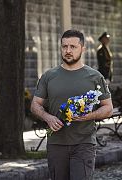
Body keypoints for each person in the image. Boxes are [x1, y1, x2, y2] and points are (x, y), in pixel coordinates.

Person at [30, 30, 113, 180]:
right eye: (64, 46)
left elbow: (108, 108)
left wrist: (89, 116)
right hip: (56, 144)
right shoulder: (49, 76)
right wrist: (47, 117)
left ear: (83, 49)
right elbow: (35, 104)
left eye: (73, 47)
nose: (68, 51)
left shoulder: (95, 76)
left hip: (84, 144)